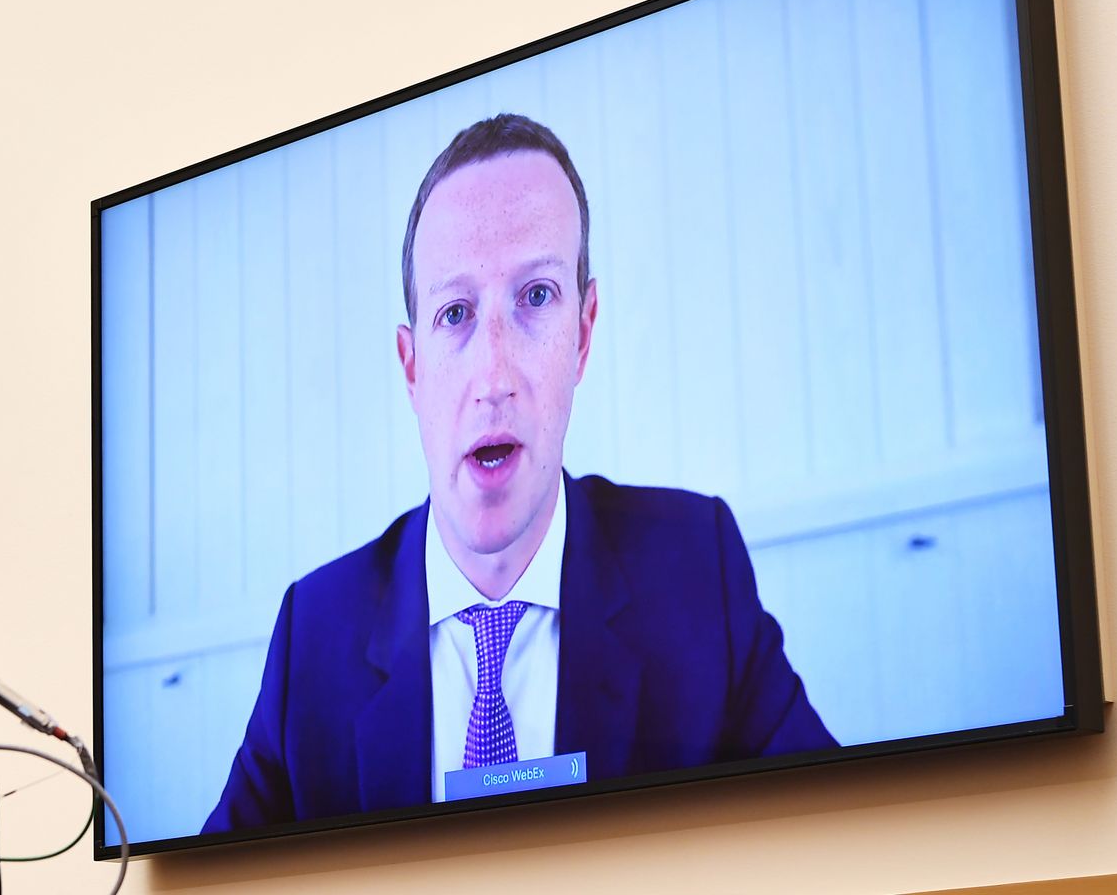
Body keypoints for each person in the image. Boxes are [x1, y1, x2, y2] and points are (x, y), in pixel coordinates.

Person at [202, 114, 834, 833]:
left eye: (535, 298)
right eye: (455, 313)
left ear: (584, 334)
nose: (493, 376)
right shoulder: (313, 640)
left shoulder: (698, 572)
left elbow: (833, 843)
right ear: (412, 369)